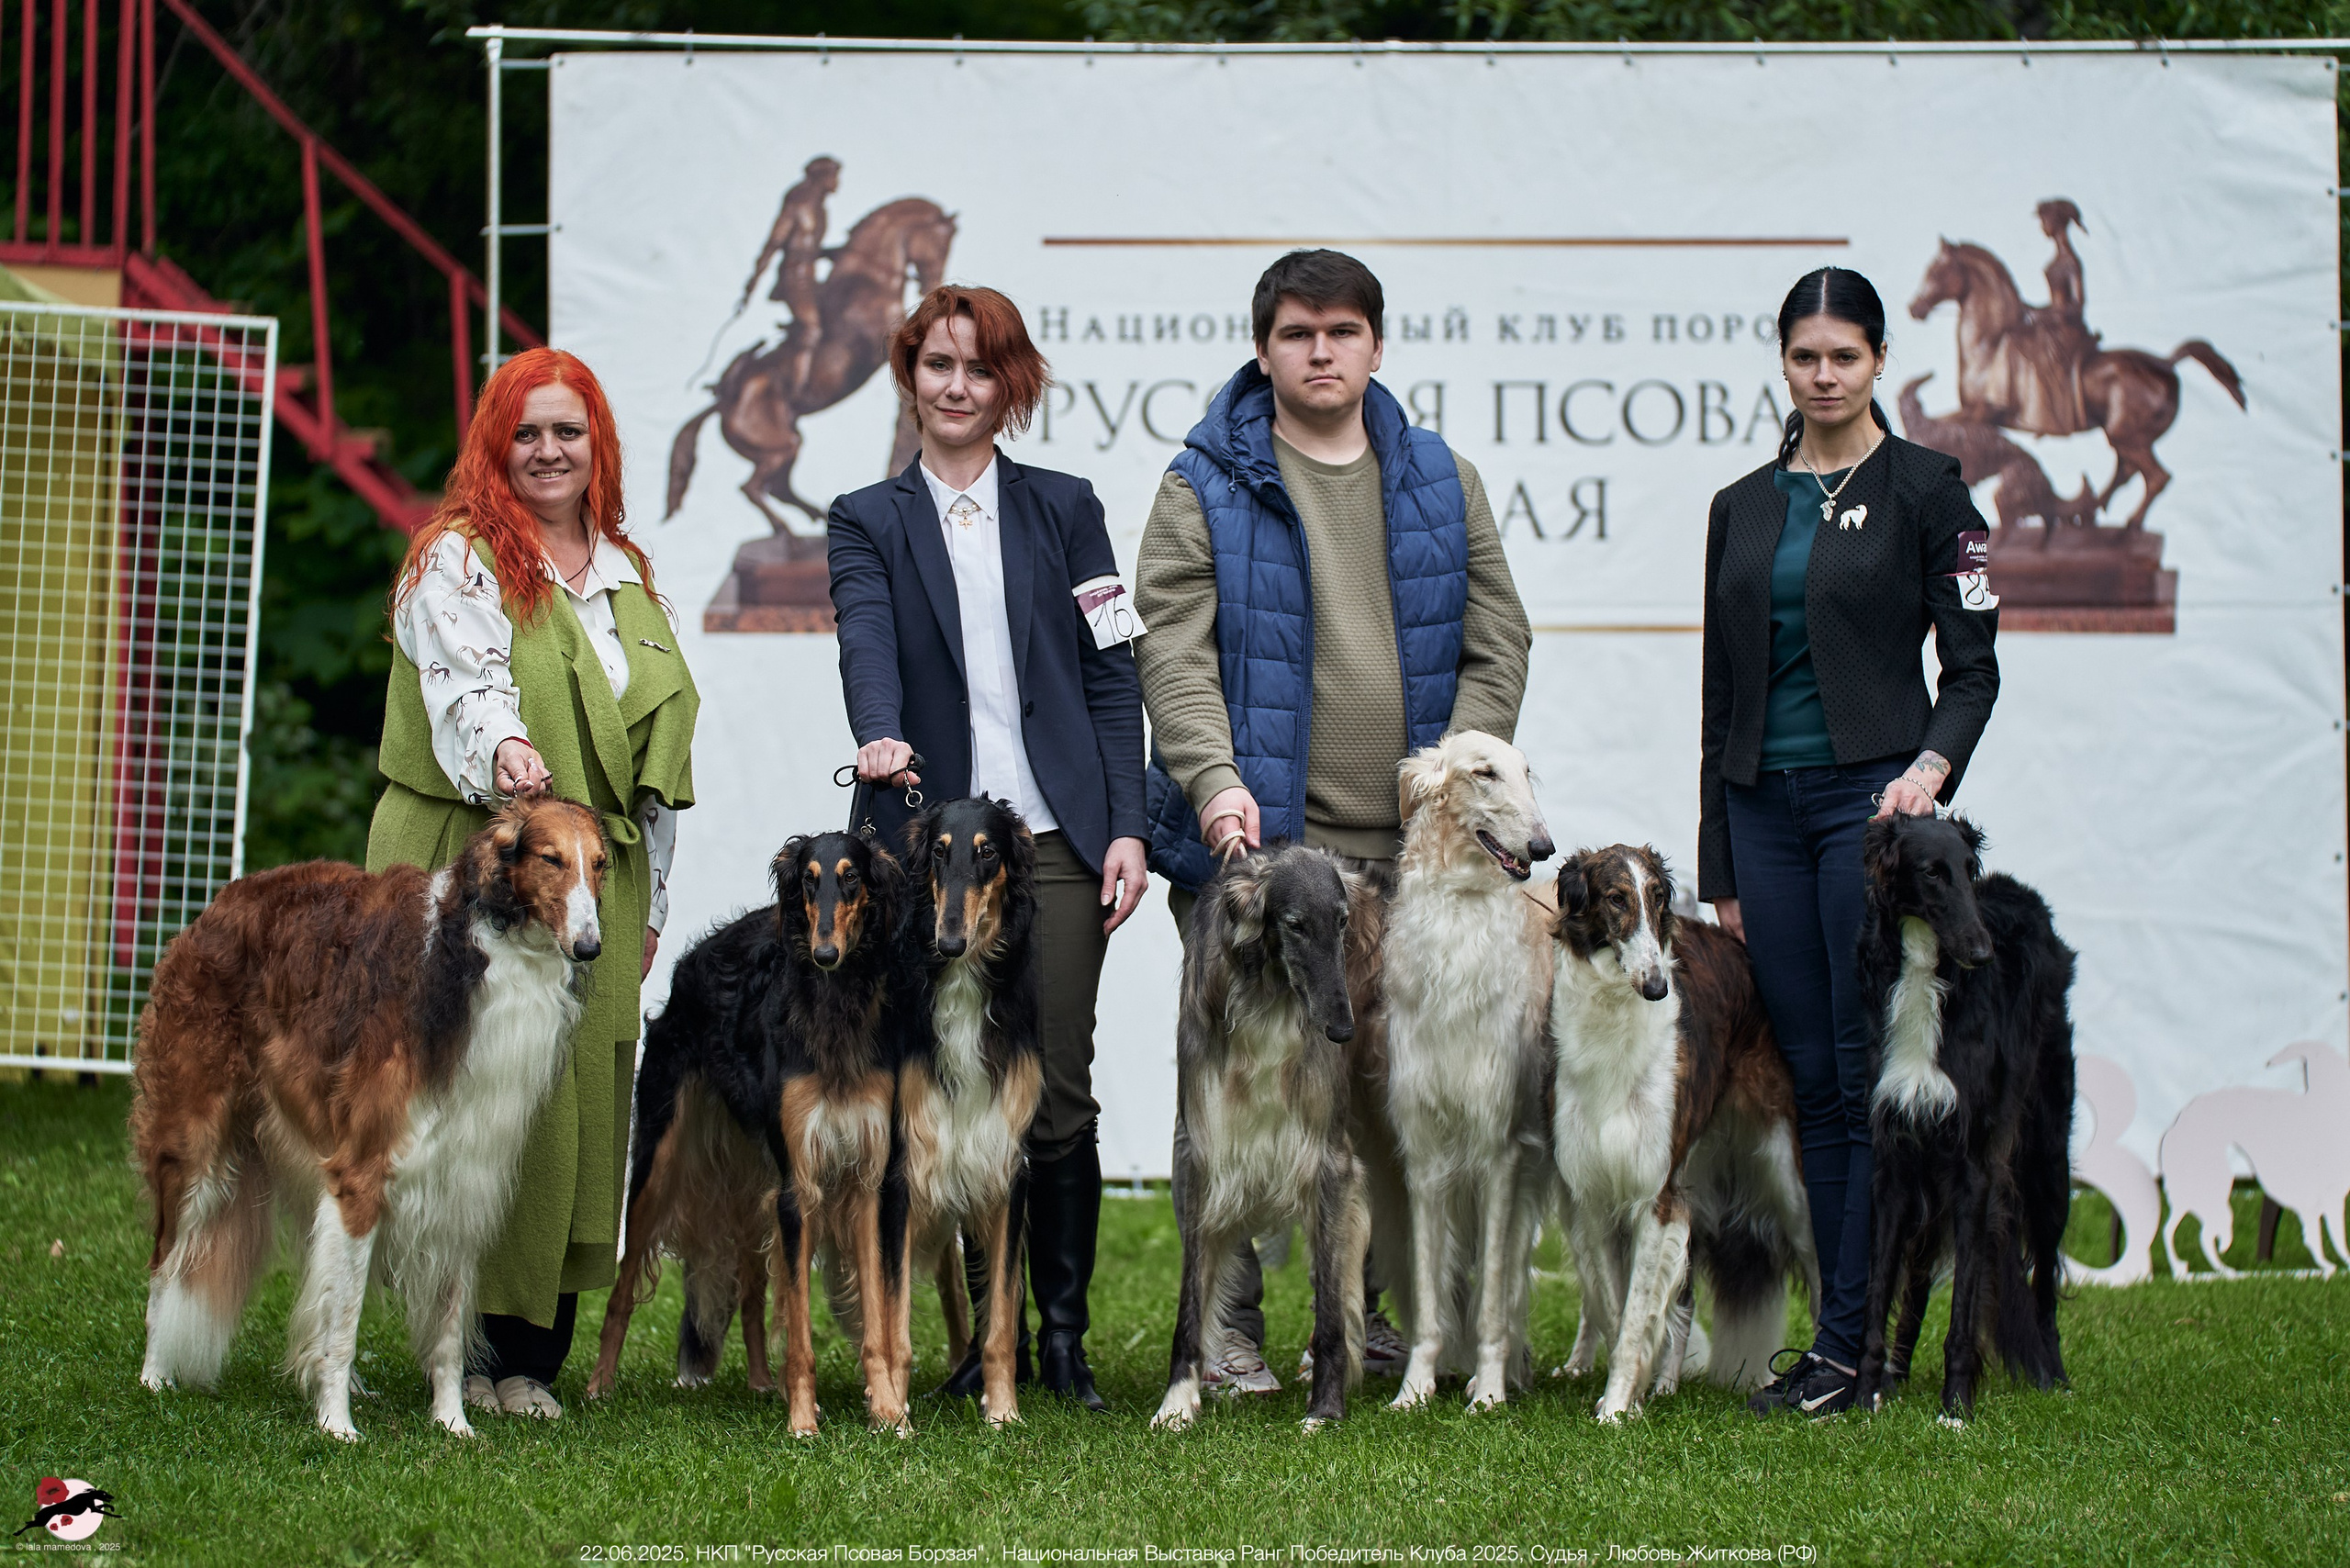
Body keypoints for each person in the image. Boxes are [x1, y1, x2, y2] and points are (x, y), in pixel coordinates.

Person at [1133, 248, 1531, 1392]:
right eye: (1298, 332)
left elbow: (1499, 637)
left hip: (1408, 862)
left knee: (1376, 1091)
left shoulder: (1438, 478)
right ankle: (1224, 1329)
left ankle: (1375, 1320)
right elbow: (1172, 645)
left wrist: (1458, 779)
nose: (1321, 351)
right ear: (1264, 347)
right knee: (1236, 1087)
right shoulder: (1202, 480)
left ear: (1375, 344)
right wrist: (1212, 783)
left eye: (1342, 331)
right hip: (1257, 862)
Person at [826, 284, 1147, 1411]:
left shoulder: (1069, 507)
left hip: (1054, 843)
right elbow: (864, 634)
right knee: (946, 1097)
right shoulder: (866, 516)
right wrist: (879, 733)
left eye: (979, 369)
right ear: (909, 378)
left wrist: (1127, 827)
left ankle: (1060, 1338)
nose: (955, 387)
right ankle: (980, 1344)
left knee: (1052, 1092)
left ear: (1010, 387)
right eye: (936, 366)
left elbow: (1115, 675)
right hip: (923, 852)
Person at [368, 347, 699, 1419]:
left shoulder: (627, 575)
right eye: (528, 432)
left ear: (597, 444)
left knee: (578, 1102)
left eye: (569, 430)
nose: (549, 451)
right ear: (493, 444)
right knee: (465, 1103)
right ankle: (456, 1348)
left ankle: (530, 1356)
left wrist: (647, 904)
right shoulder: (455, 560)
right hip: (478, 871)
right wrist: (510, 752)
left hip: (596, 885)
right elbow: (469, 692)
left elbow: (654, 767)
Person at [1698, 267, 1999, 1417]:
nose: (1822, 376)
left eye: (1844, 357)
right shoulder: (1741, 504)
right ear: (1783, 363)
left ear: (1878, 362)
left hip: (1869, 816)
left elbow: (1971, 671)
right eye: (1803, 357)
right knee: (1814, 1083)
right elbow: (1721, 694)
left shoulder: (1932, 490)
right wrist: (1716, 857)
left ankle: (1858, 1347)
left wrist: (1926, 772)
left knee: (1864, 1078)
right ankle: (1838, 1353)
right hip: (1762, 815)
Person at [743, 155, 842, 397]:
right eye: (833, 175)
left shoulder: (820, 206)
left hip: (808, 274)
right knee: (812, 329)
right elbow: (775, 241)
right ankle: (797, 390)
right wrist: (754, 279)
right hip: (794, 277)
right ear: (822, 177)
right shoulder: (799, 201)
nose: (837, 182)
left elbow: (809, 247)